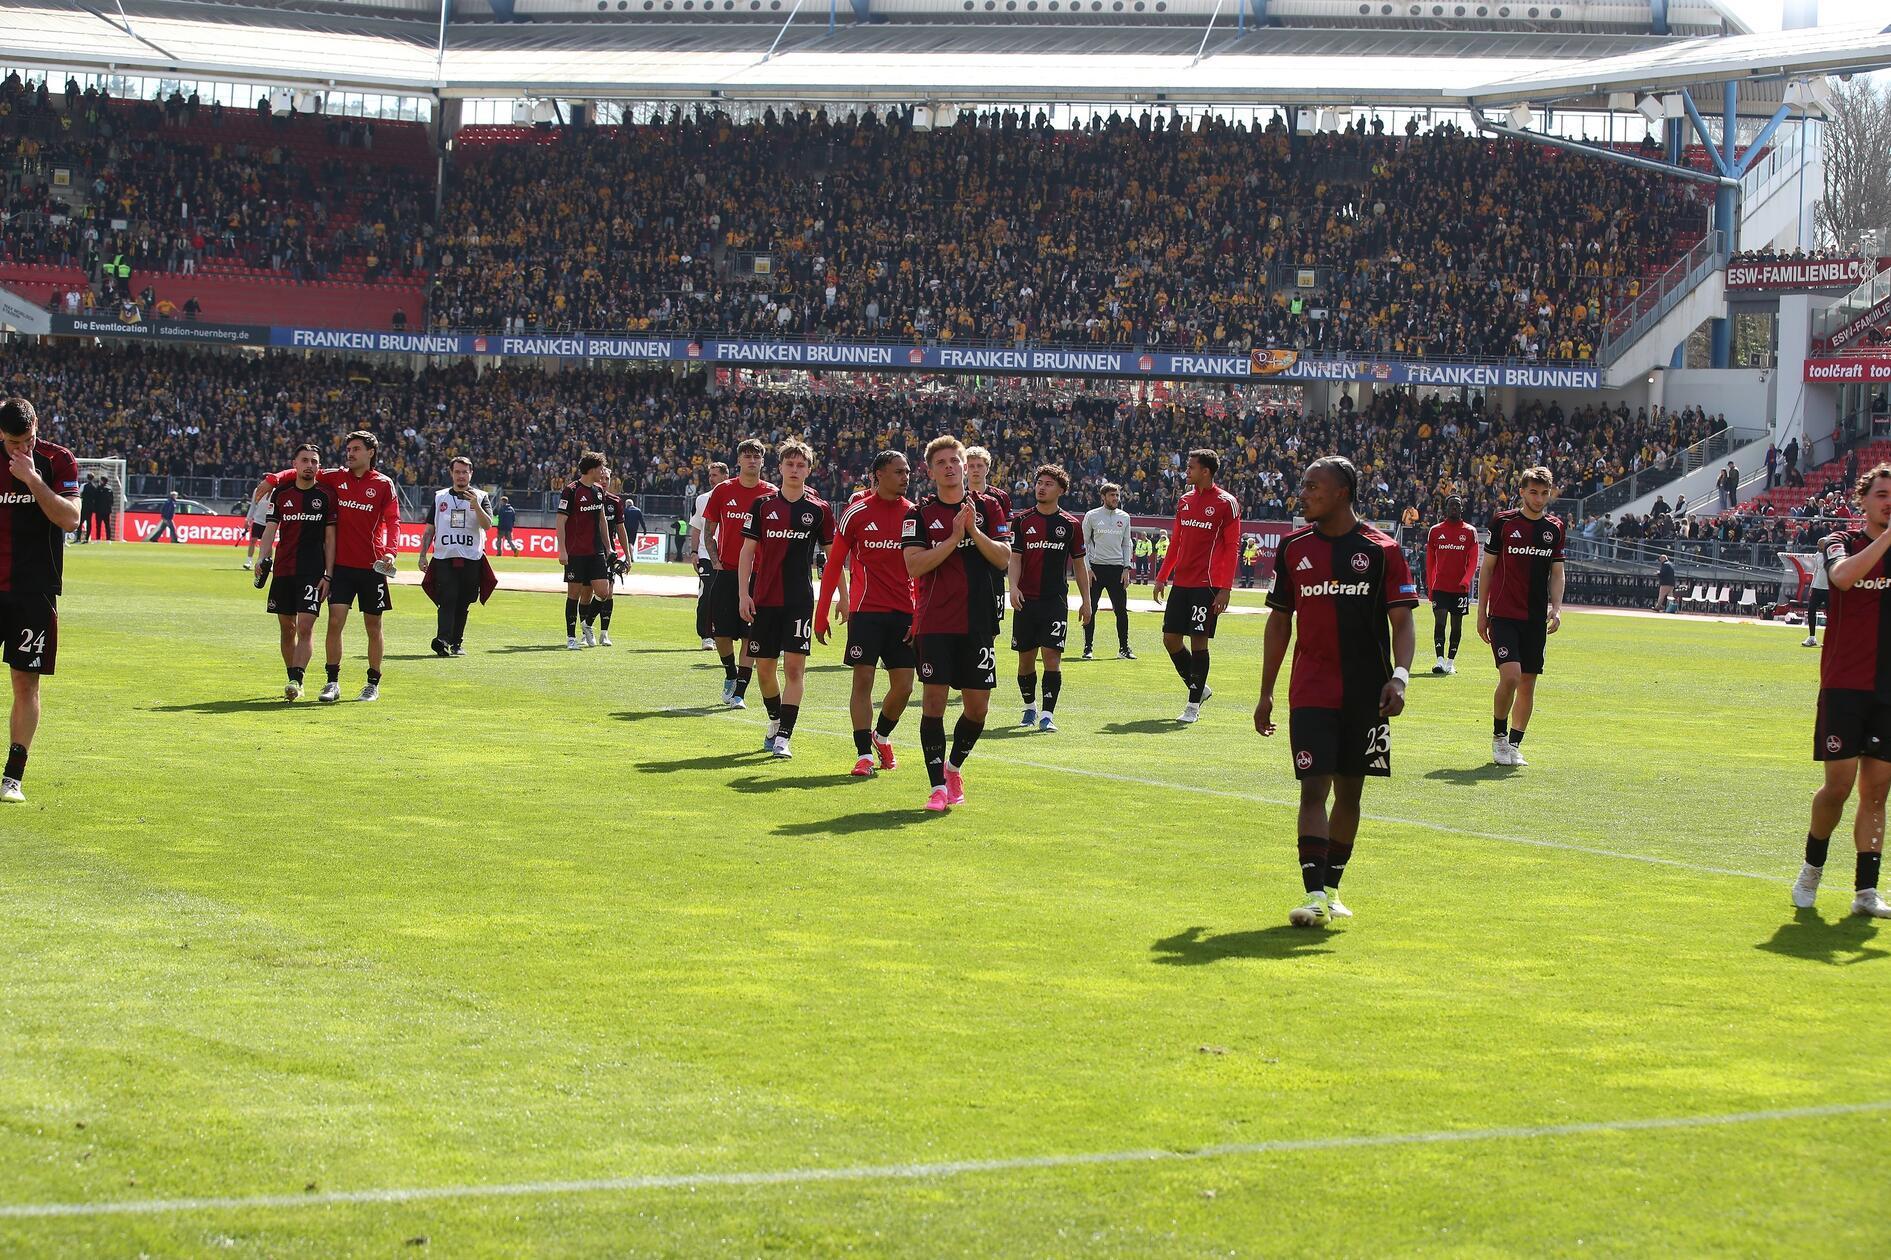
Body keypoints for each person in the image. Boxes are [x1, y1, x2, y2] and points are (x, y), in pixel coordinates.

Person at [1255, 456, 1417, 928]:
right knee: (1313, 789)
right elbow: (1280, 620)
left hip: (1368, 693)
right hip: (1310, 689)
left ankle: (1331, 889)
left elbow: (1403, 621)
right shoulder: (1293, 549)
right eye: (1303, 486)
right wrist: (1265, 691)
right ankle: (1312, 893)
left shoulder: (1383, 549)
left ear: (1341, 493)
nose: (1302, 493)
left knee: (1351, 791)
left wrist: (1400, 677)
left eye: (1312, 487)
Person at [1793, 464, 1891, 919]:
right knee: (1839, 785)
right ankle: (1811, 869)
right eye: (1882, 494)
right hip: (1844, 683)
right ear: (1863, 499)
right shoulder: (1840, 542)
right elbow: (1843, 578)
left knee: (1877, 791)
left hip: (1887, 686)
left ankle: (1865, 890)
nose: (1888, 501)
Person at [904, 435, 1011, 811]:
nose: (950, 466)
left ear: (966, 466)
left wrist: (974, 532)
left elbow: (1002, 558)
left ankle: (953, 767)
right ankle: (936, 786)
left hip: (979, 621)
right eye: (942, 462)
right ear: (931, 470)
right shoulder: (918, 513)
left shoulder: (990, 507)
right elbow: (914, 565)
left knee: (977, 707)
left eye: (955, 460)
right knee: (932, 703)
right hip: (935, 621)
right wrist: (952, 538)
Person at [256, 431, 401, 704]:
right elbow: (301, 472)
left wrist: (391, 552)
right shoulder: (335, 477)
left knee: (373, 625)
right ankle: (332, 682)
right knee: (334, 623)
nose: (350, 453)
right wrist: (272, 479)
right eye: (348, 448)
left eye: (356, 449)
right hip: (342, 567)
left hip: (373, 565)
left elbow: (393, 521)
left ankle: (372, 683)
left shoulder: (384, 484)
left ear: (371, 452)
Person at [0, 396, 82, 803]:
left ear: (37, 428)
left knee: (24, 680)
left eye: (28, 439)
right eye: (15, 442)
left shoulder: (57, 460)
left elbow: (70, 519)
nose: (22, 449)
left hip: (34, 590)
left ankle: (13, 776)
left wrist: (32, 479)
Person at [817, 450, 917, 777]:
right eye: (898, 472)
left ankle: (882, 735)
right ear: (878, 474)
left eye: (907, 471)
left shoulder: (915, 514)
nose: (905, 477)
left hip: (905, 612)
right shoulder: (856, 513)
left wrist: (921, 613)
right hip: (866, 611)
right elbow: (834, 564)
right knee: (863, 680)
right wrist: (822, 611)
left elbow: (925, 571)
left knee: (904, 686)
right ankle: (863, 754)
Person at [737, 440, 836, 759]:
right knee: (765, 670)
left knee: (794, 670)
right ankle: (776, 718)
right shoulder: (763, 505)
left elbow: (834, 558)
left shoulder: (819, 510)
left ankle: (784, 737)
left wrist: (838, 598)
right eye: (789, 465)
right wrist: (743, 593)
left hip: (798, 601)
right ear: (779, 468)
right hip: (764, 599)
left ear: (809, 470)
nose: (795, 470)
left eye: (801, 465)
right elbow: (747, 552)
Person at [1478, 466, 1565, 767]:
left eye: (1544, 493)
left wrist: (1557, 606)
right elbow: (1487, 569)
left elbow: (1557, 571)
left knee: (1528, 682)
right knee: (1511, 676)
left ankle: (1515, 745)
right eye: (1533, 492)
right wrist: (1481, 612)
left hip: (1534, 619)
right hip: (1503, 614)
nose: (1539, 498)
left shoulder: (1554, 528)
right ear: (1522, 492)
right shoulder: (1503, 523)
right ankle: (1498, 738)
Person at [1153, 449, 1240, 724]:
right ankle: (1199, 689)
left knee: (1199, 642)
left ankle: (1192, 706)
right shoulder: (1185, 501)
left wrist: (1225, 588)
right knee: (1170, 639)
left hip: (1208, 584)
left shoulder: (1227, 503)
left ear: (1206, 471)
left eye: (1191, 467)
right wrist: (1161, 576)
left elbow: (1232, 546)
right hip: (1182, 582)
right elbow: (1176, 542)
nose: (1186, 471)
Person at [1010, 465, 1091, 732]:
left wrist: (1087, 601)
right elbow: (1016, 558)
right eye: (1039, 482)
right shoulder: (1022, 521)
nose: (1041, 487)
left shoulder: (1070, 525)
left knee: (1051, 657)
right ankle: (1029, 707)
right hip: (1026, 601)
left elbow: (1080, 565)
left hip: (1055, 601)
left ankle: (1047, 714)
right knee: (1025, 660)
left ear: (1061, 490)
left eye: (1048, 484)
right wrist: (1013, 587)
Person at [252, 443, 335, 700]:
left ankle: (296, 679)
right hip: (284, 570)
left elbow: (330, 539)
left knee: (305, 628)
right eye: (305, 460)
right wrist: (261, 558)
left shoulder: (325, 496)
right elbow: (270, 530)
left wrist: (328, 575)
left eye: (314, 461)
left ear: (319, 467)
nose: (310, 465)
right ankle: (291, 675)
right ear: (295, 464)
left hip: (312, 572)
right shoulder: (281, 494)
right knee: (287, 627)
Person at [703, 441, 777, 706]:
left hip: (759, 575)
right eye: (747, 456)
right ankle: (730, 673)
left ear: (763, 462)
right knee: (721, 634)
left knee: (750, 634)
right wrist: (715, 560)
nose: (752, 461)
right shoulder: (723, 491)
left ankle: (740, 692)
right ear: (739, 461)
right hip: (727, 571)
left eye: (757, 457)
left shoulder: (772, 494)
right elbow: (708, 530)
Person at [418, 456, 493, 657]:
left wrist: (476, 505)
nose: (461, 476)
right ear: (451, 473)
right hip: (445, 556)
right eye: (457, 472)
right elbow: (429, 529)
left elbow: (487, 525)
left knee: (464, 601)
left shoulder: (481, 496)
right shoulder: (439, 497)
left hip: (471, 558)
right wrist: (422, 555)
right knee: (447, 598)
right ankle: (442, 639)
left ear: (471, 473)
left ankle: (456, 642)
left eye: (464, 472)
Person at [557, 452, 613, 649]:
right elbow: (560, 522)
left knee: (603, 592)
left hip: (595, 551)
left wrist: (608, 546)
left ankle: (587, 623)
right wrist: (562, 550)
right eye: (600, 469)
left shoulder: (599, 491)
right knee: (574, 594)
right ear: (591, 469)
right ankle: (571, 638)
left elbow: (602, 519)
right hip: (575, 552)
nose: (602, 473)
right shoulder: (571, 491)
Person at [1081, 482, 1135, 660]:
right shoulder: (1092, 515)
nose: (1115, 499)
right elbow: (1084, 544)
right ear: (1103, 497)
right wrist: (1088, 568)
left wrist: (1126, 568)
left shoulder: (1125, 517)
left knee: (1121, 610)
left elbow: (1127, 543)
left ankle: (1124, 649)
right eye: (1112, 495)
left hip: (1117, 570)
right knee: (1091, 608)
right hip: (1096, 569)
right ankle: (1088, 648)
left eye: (1117, 495)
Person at [1424, 496, 1478, 674]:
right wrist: (1430, 586)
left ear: (1462, 509)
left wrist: (1466, 580)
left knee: (1457, 626)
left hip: (1459, 589)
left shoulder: (1470, 531)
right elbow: (1430, 562)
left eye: (1457, 505)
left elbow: (1473, 560)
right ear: (1445, 508)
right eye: (1451, 505)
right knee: (1440, 622)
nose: (1454, 508)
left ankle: (1450, 662)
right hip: (1440, 587)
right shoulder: (1435, 531)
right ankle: (1439, 660)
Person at [965, 445, 1013, 630]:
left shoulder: (1000, 498)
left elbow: (1006, 534)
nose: (975, 469)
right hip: (965, 567)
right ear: (965, 468)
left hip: (993, 569)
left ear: (987, 468)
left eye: (979, 465)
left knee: (992, 625)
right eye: (971, 466)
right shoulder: (955, 495)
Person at [687, 462, 728, 651]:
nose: (711, 478)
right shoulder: (702, 499)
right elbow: (696, 528)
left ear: (725, 476)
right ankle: (706, 635)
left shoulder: (733, 496)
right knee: (707, 592)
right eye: (710, 475)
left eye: (715, 475)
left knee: (728, 594)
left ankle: (725, 631)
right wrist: (694, 552)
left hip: (729, 554)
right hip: (705, 554)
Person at [241, 489, 272, 570]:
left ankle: (269, 563)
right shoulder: (258, 490)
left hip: (269, 521)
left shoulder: (275, 490)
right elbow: (253, 505)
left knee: (268, 543)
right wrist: (248, 519)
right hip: (257, 520)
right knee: (252, 540)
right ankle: (249, 562)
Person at [1805, 550, 1829, 648]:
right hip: (1817, 587)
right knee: (1811, 610)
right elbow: (1816, 570)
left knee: (1831, 614)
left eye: (1820, 545)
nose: (1818, 547)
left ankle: (1828, 640)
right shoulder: (1817, 555)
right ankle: (1812, 637)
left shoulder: (1833, 553)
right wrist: (1812, 585)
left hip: (1829, 588)